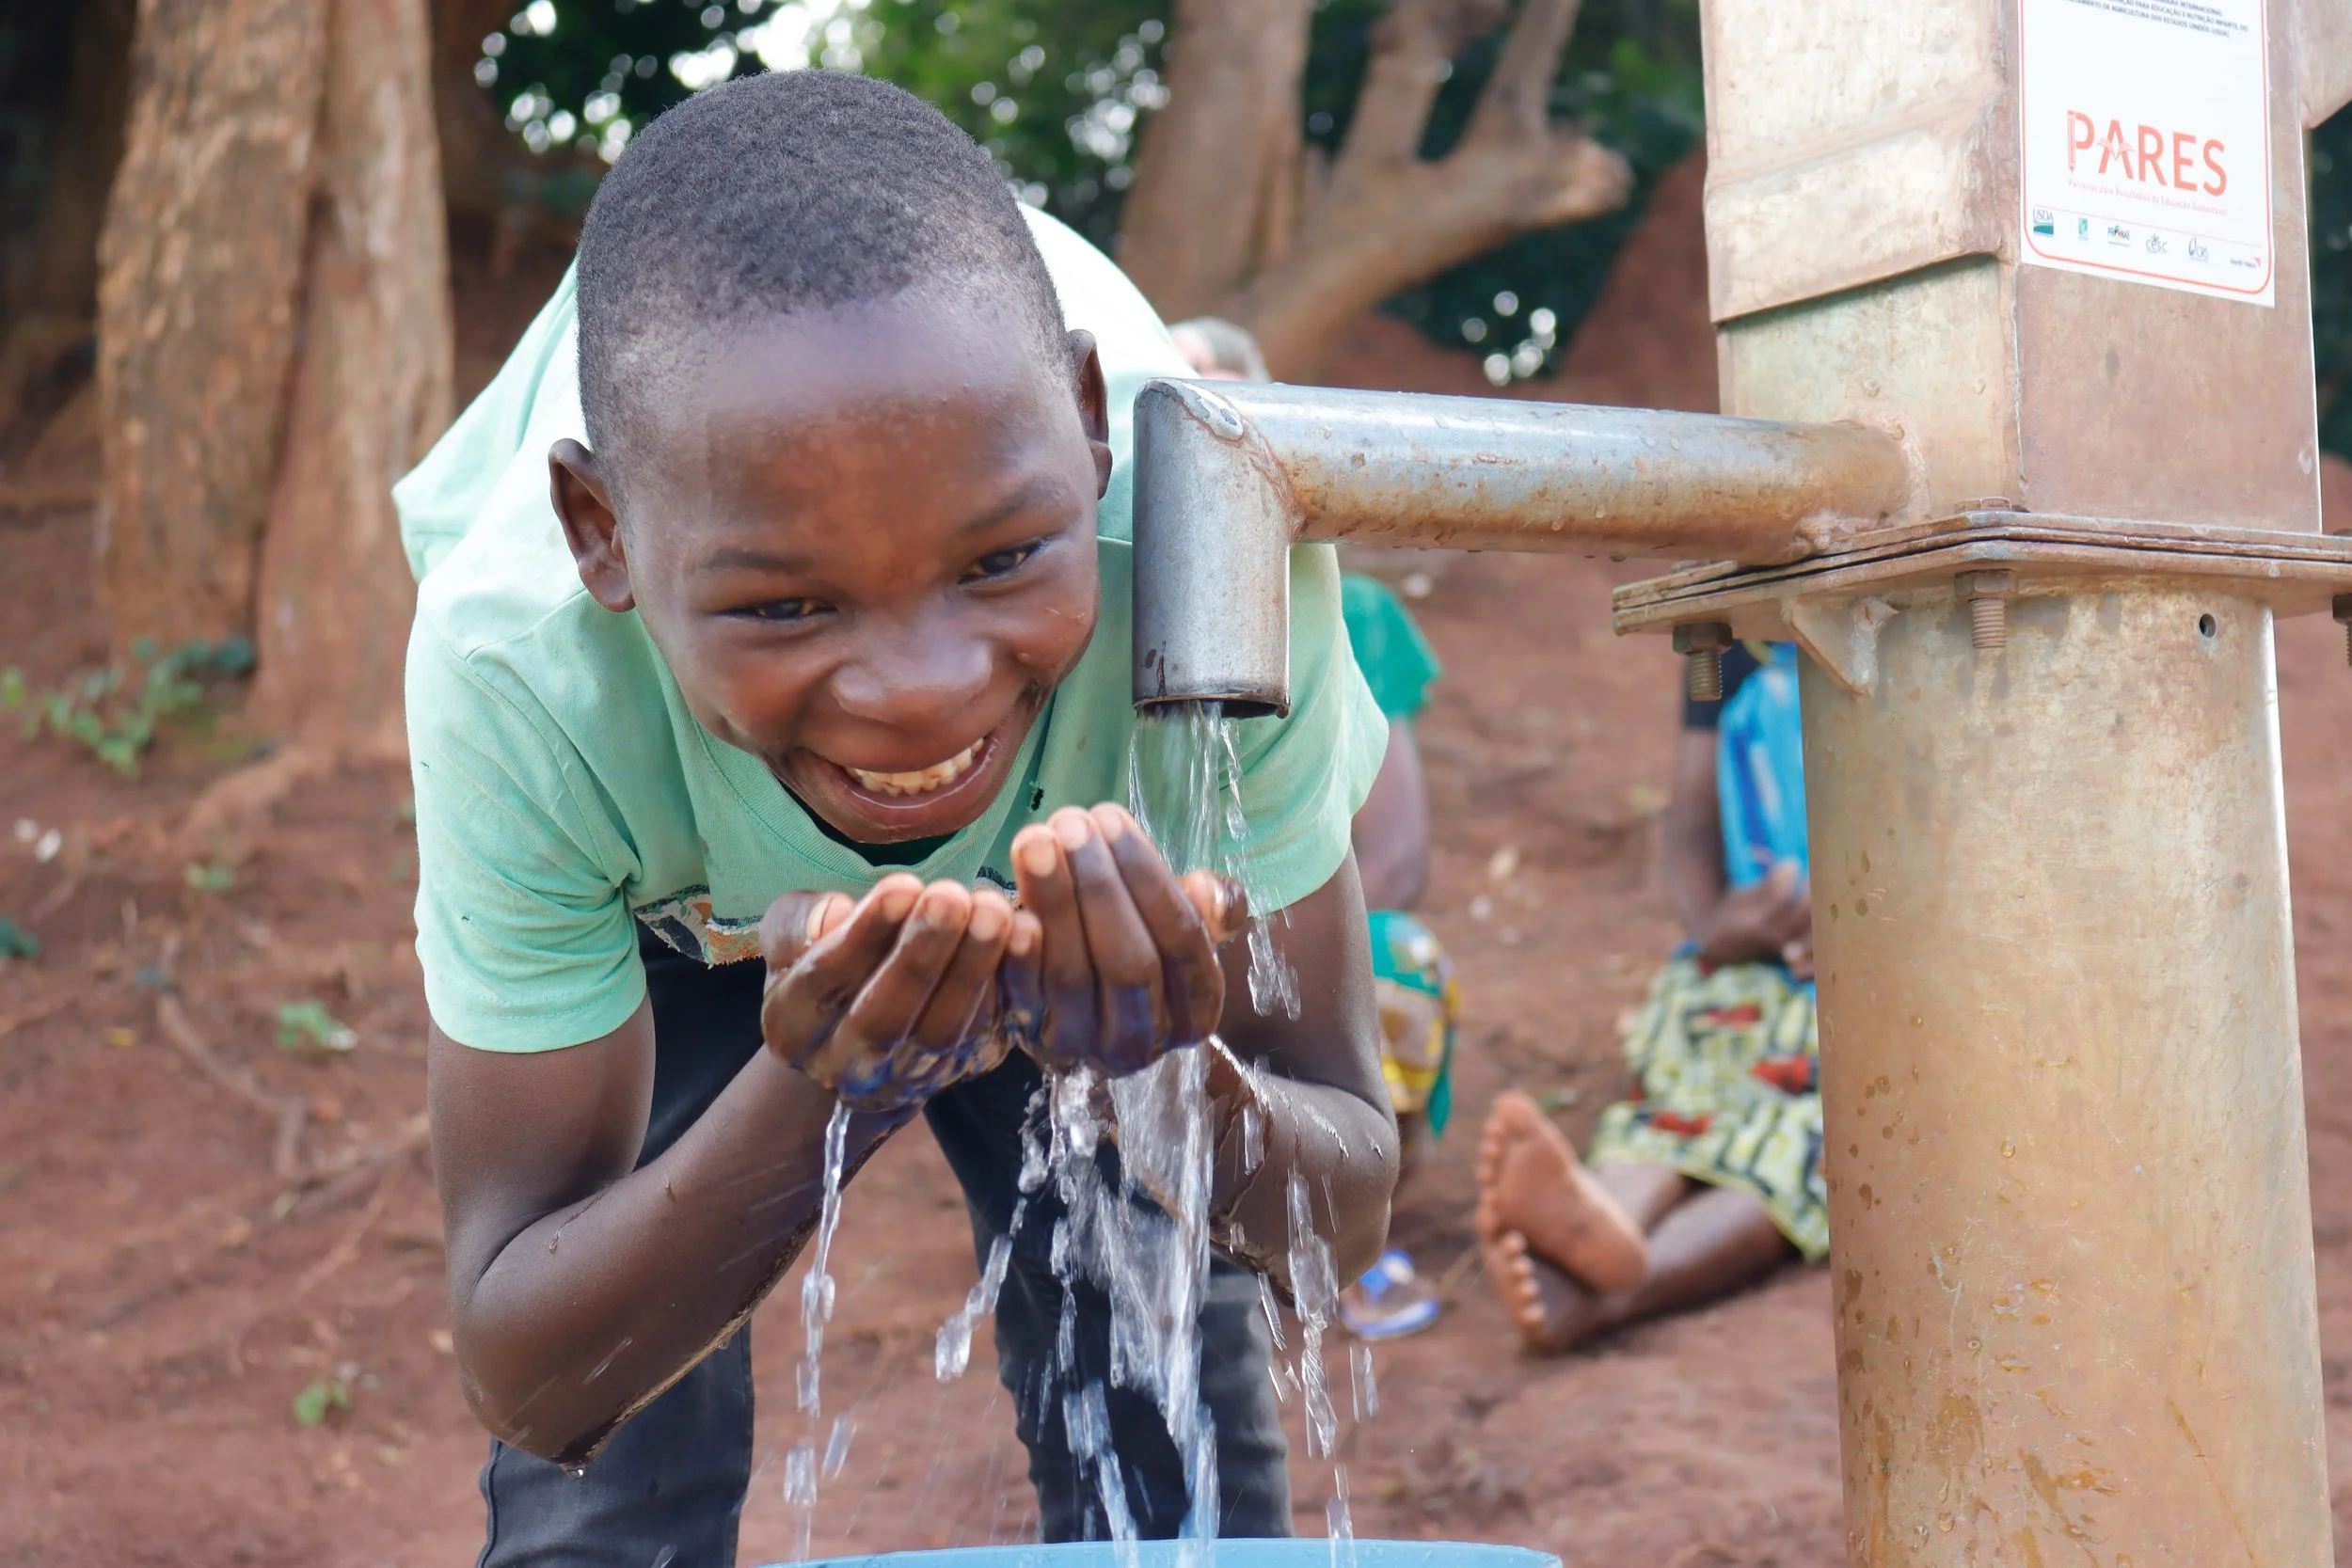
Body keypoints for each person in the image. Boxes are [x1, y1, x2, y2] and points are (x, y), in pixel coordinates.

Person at [398, 73, 1398, 1565]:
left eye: (1000, 560)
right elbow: (530, 1363)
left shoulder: (1211, 556)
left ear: (1084, 426)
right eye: (788, 603)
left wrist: (1161, 1079)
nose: (924, 695)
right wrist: (822, 1087)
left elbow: (1349, 1202)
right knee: (612, 1492)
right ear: (605, 536)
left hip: (1096, 881)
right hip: (677, 894)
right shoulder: (526, 677)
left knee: (1167, 1417)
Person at [1170, 319, 1455, 1341]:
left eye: (1218, 395)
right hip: (1142, 906)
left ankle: (1338, 1243)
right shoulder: (1102, 579)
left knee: (1397, 960)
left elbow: (1395, 848)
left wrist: (1277, 915)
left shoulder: (1346, 604)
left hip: (1292, 894)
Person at [1474, 641, 1823, 1352]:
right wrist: (1722, 928)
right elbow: (1691, 839)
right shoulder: (1728, 635)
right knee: (1676, 1106)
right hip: (1747, 961)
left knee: (1801, 1143)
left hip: (1878, 985)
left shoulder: (1916, 617)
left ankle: (1603, 1288)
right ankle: (1593, 1223)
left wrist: (1879, 914)